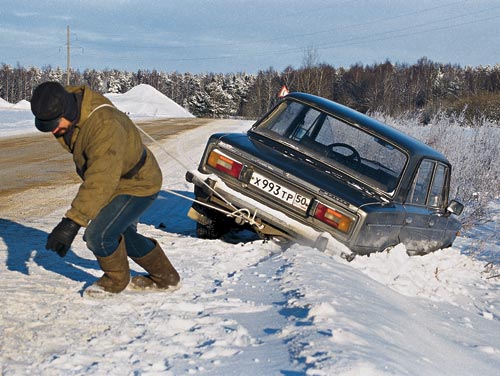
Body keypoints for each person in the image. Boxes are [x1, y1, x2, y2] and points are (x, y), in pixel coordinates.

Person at [30, 81, 180, 295]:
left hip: (138, 182)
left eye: (54, 124)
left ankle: (115, 280)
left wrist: (71, 223)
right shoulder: (73, 110)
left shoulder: (104, 125)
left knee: (98, 235)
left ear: (66, 110)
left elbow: (101, 179)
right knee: (120, 233)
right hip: (117, 179)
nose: (53, 130)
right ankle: (167, 277)